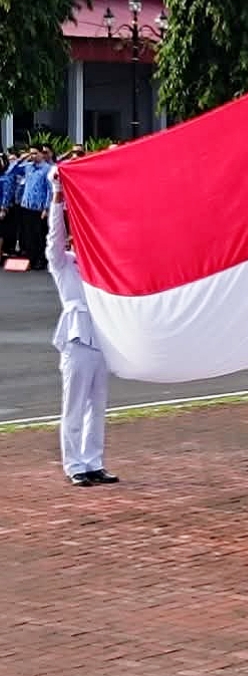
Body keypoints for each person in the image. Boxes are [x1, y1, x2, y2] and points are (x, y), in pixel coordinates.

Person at [47, 168, 117, 487]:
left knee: (97, 404)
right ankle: (74, 464)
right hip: (77, 335)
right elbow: (54, 238)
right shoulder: (65, 263)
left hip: (102, 336)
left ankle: (94, 462)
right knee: (73, 404)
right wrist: (58, 197)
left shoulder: (101, 265)